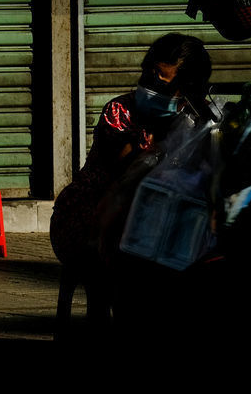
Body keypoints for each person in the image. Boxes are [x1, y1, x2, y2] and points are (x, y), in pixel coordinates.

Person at [49, 32, 212, 322]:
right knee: (136, 268)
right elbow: (125, 169)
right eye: (149, 74)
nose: (149, 85)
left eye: (162, 81)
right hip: (88, 220)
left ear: (186, 87)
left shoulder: (193, 119)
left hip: (147, 223)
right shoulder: (119, 111)